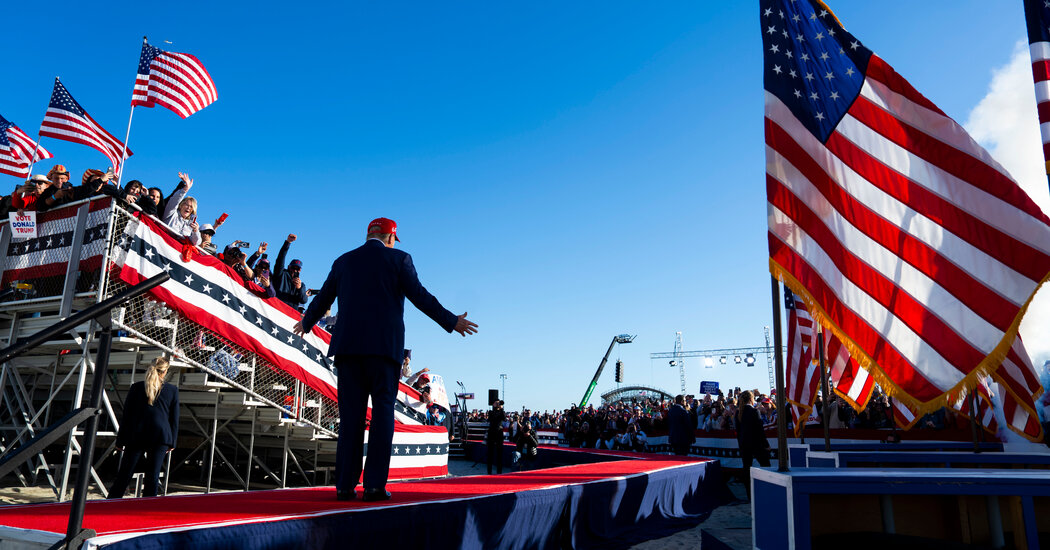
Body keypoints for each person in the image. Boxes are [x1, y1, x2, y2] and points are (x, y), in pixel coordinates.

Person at [293, 216, 478, 502]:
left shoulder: (343, 261)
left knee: (351, 419)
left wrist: (306, 323)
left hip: (349, 351)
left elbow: (324, 297)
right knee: (382, 419)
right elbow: (421, 297)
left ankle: (344, 486)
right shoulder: (400, 259)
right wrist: (451, 321)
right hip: (384, 352)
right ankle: (375, 486)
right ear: (391, 237)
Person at [108, 357, 179, 498]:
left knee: (125, 474)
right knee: (152, 476)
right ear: (165, 372)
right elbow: (174, 418)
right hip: (161, 435)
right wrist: (172, 441)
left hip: (137, 434)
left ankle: (110, 504)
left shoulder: (136, 387)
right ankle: (147, 508)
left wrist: (120, 440)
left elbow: (127, 415)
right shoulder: (172, 390)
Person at [735, 390, 771, 500]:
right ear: (751, 399)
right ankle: (767, 490)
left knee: (747, 468)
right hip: (756, 444)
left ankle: (750, 495)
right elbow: (760, 431)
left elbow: (738, 431)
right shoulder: (754, 412)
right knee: (766, 466)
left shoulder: (738, 413)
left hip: (744, 444)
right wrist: (766, 444)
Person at [161, 172, 200, 245]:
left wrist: (195, 231)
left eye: (191, 207)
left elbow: (196, 243)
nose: (188, 208)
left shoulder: (191, 224)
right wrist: (185, 189)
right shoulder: (172, 213)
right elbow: (174, 201)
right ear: (181, 205)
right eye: (186, 204)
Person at [273, 234, 308, 310]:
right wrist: (288, 242)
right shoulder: (281, 274)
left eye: (297, 269)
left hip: (290, 315)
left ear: (300, 270)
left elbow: (304, 300)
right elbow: (280, 259)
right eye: (293, 268)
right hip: (276, 309)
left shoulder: (301, 285)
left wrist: (299, 288)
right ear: (289, 267)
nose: (295, 270)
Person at [487, 399, 506, 475]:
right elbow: (491, 419)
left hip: (499, 432)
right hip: (491, 432)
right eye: (496, 403)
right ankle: (489, 471)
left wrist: (501, 409)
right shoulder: (491, 412)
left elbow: (504, 418)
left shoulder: (502, 412)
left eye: (498, 403)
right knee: (490, 453)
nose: (498, 404)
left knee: (499, 452)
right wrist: (495, 408)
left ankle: (499, 471)